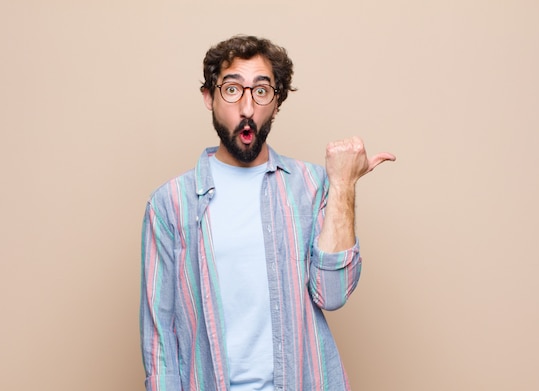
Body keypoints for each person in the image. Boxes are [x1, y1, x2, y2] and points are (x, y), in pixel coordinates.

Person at [140, 35, 395, 391]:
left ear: (276, 105)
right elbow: (160, 338)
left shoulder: (311, 186)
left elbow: (332, 293)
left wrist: (343, 185)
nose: (246, 108)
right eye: (232, 89)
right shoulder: (170, 204)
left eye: (261, 92)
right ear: (208, 97)